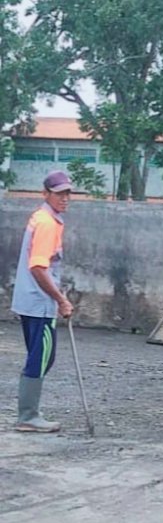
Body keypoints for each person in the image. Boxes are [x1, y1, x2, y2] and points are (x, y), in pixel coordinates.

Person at [10, 170, 75, 433]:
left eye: (67, 193)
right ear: (46, 194)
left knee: (40, 355)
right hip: (40, 304)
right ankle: (28, 416)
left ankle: (29, 412)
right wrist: (61, 300)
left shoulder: (42, 217)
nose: (65, 198)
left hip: (31, 300)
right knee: (42, 357)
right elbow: (38, 267)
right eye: (59, 193)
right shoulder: (47, 223)